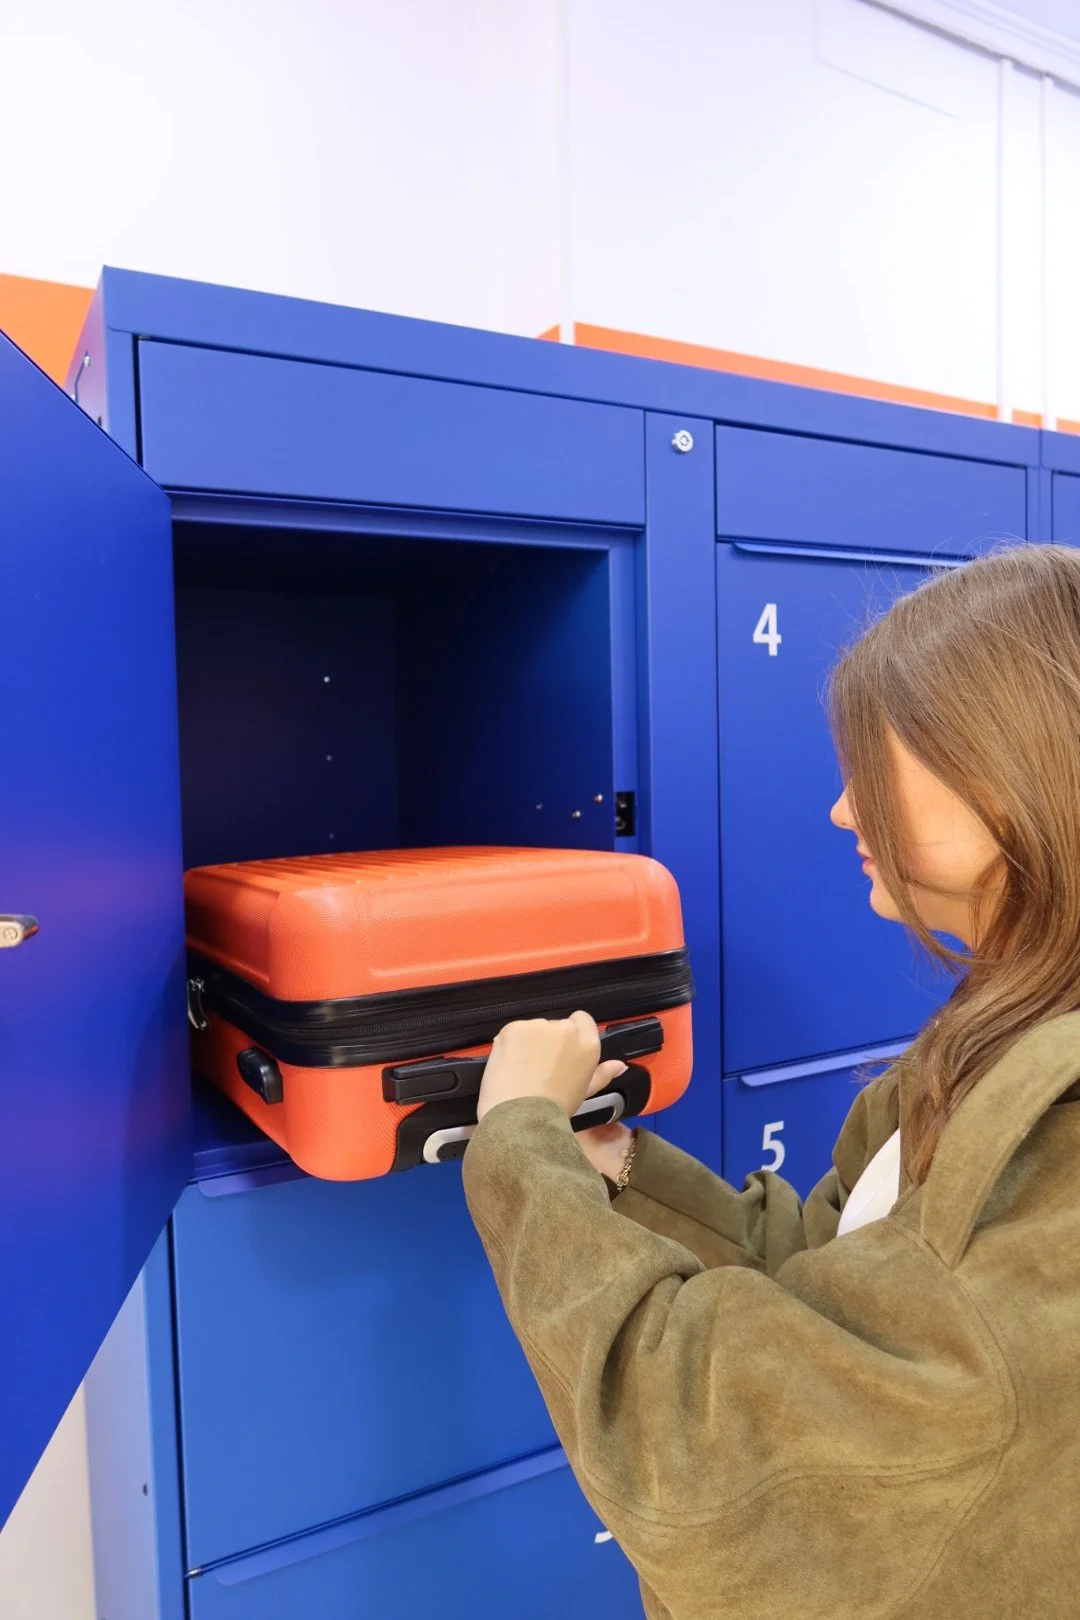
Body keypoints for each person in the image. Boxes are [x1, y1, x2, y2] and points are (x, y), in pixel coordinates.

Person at [462, 544, 1080, 1619]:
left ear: (1014, 768)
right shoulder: (994, 1042)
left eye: (877, 767)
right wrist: (620, 1175)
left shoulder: (1058, 1153)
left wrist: (516, 1147)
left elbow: (705, 1451)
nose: (846, 812)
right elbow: (846, 1283)